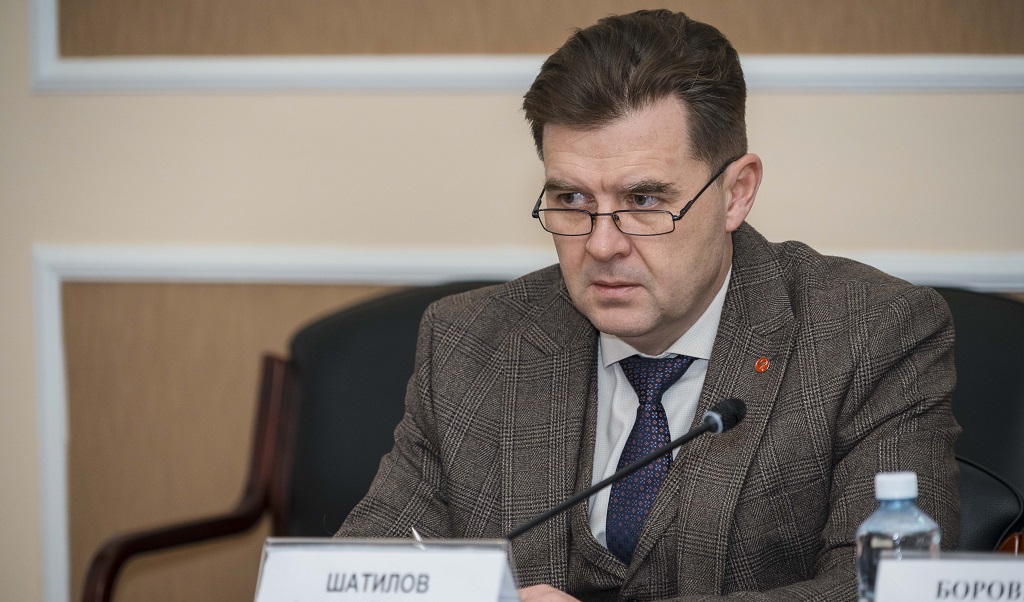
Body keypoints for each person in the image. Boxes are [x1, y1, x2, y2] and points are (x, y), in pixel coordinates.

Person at [337, 9, 960, 601]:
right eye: (573, 200)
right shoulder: (470, 343)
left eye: (643, 200)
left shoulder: (872, 334)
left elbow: (886, 589)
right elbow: (364, 572)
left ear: (736, 193)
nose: (602, 245)